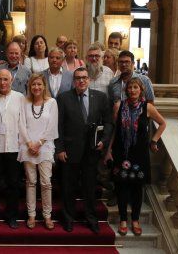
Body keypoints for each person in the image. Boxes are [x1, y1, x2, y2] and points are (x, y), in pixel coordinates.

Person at [55, 67, 113, 234]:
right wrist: (59, 149)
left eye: (84, 78)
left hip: (92, 151)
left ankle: (91, 219)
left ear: (89, 80)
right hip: (69, 151)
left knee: (89, 187)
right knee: (68, 188)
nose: (81, 81)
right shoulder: (64, 98)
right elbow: (57, 126)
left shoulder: (101, 98)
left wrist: (104, 140)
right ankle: (68, 219)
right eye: (78, 78)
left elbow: (109, 122)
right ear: (74, 81)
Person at [105, 78, 166, 236]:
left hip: (139, 153)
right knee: (121, 187)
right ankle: (124, 220)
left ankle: (135, 220)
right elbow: (116, 131)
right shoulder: (119, 106)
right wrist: (109, 150)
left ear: (141, 90)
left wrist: (154, 141)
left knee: (137, 188)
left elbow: (163, 123)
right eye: (130, 88)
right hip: (121, 152)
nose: (132, 90)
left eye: (135, 87)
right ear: (126, 90)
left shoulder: (148, 107)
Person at [0, 69, 25, 230]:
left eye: (5, 79)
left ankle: (12, 216)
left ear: (11, 81)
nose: (2, 82)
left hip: (14, 146)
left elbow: (24, 123)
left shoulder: (20, 98)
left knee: (13, 184)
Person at [18, 73, 59, 230]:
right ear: (30, 86)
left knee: (46, 183)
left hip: (45, 147)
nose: (36, 87)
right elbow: (21, 123)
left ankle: (47, 216)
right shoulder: (24, 102)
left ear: (44, 86)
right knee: (30, 182)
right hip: (27, 146)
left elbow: (52, 126)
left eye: (39, 84)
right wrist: (29, 143)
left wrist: (39, 143)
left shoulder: (51, 103)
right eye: (33, 84)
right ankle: (32, 215)